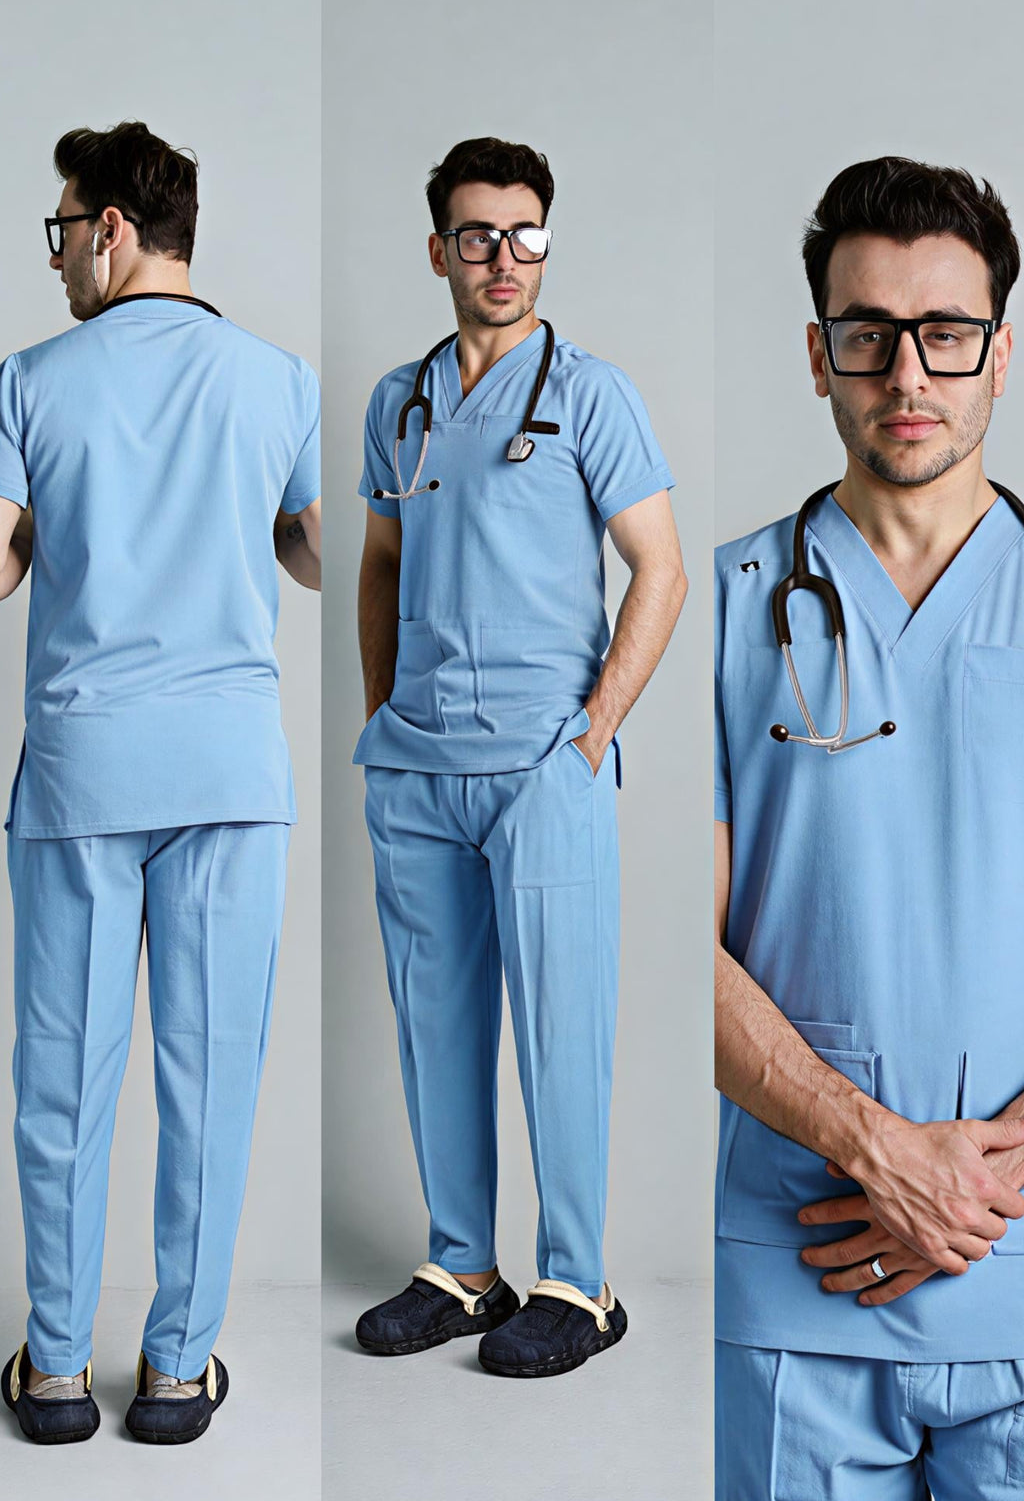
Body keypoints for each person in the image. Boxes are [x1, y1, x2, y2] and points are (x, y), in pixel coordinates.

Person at [0, 121, 321, 1446]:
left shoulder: (29, 381)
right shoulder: (280, 380)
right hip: (230, 774)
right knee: (211, 1077)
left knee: (62, 1082)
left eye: (63, 231)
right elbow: (316, 551)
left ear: (115, 229)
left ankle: (56, 1374)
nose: (58, 258)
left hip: (84, 773)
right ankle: (178, 1374)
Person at [715, 156, 1024, 1497]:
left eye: (945, 334)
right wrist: (876, 1151)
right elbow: (660, 943)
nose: (908, 374)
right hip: (802, 1293)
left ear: (999, 353)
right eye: (868, 335)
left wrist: (976, 1187)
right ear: (817, 355)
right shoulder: (725, 610)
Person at [353, 136, 686, 1378]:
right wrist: (384, 718)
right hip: (417, 768)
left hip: (544, 764)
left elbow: (662, 570)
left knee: (559, 1028)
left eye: (525, 234)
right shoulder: (398, 403)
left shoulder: (589, 396)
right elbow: (380, 565)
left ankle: (578, 1282)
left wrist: (590, 733)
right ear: (439, 250)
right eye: (479, 235)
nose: (504, 256)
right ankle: (463, 1267)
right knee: (433, 1024)